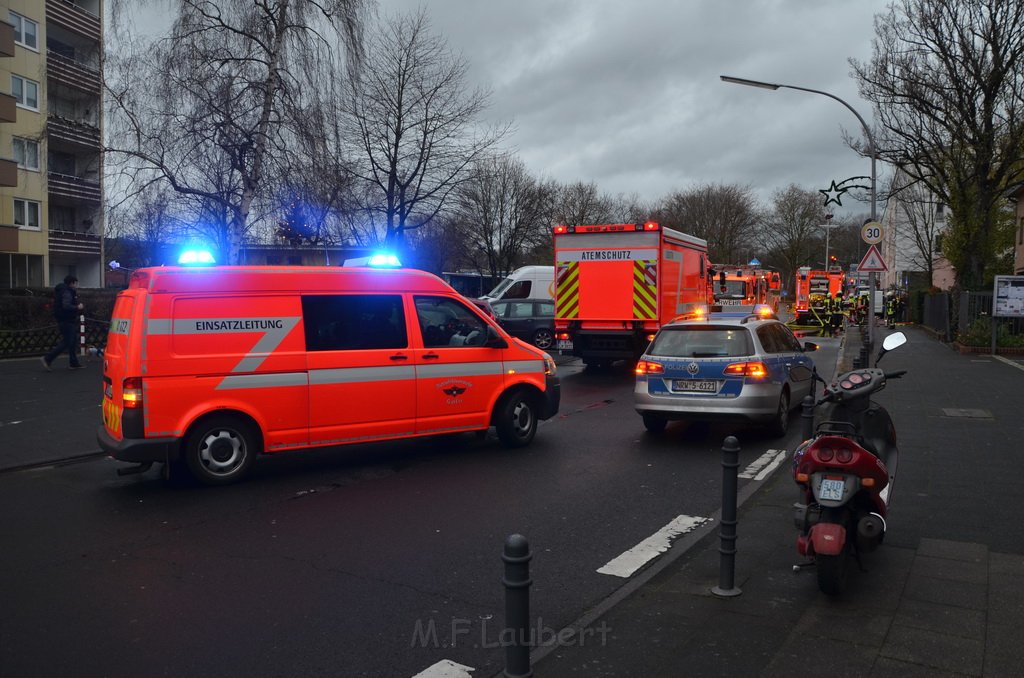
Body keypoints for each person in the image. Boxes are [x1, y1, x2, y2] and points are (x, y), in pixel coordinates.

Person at [42, 275, 85, 370]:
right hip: (66, 320)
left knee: (72, 341)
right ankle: (48, 358)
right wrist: (77, 307)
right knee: (67, 342)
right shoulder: (67, 292)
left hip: (65, 319)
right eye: (76, 283)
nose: (77, 285)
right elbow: (66, 305)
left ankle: (73, 362)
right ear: (72, 283)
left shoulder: (62, 291)